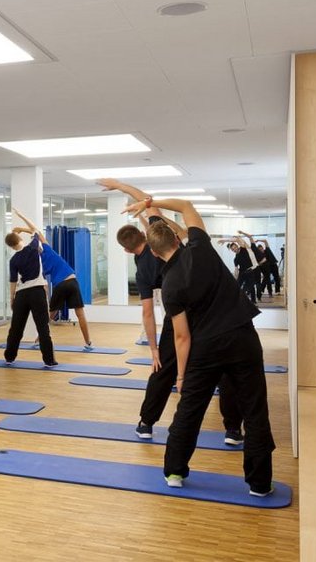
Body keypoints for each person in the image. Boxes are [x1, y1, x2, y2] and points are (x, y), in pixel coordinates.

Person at [125, 196, 275, 497]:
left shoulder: (170, 286)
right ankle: (259, 484)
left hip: (206, 348)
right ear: (178, 238)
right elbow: (187, 207)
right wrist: (152, 202)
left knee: (189, 410)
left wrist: (180, 376)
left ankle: (175, 472)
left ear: (154, 253)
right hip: (243, 338)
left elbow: (182, 337)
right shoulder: (201, 247)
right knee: (255, 409)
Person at [98, 179, 243, 444]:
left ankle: (146, 423)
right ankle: (233, 429)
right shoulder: (162, 233)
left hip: (178, 316)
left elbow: (147, 314)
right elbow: (146, 199)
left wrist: (153, 350)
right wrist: (121, 186)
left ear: (128, 249)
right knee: (226, 371)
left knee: (161, 370)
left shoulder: (143, 270)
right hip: (207, 316)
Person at [10, 207, 93, 351]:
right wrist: (22, 224)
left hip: (60, 286)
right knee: (80, 314)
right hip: (72, 281)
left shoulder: (37, 262)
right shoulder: (48, 249)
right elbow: (35, 230)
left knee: (49, 316)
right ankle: (88, 342)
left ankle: (37, 341)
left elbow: (42, 283)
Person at [3, 225, 58, 367]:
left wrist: (12, 298)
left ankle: (9, 357)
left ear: (10, 246)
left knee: (16, 328)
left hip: (21, 295)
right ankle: (49, 360)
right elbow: (36, 232)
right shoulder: (33, 247)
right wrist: (22, 229)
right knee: (42, 327)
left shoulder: (13, 260)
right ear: (20, 238)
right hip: (37, 293)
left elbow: (13, 281)